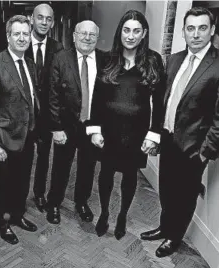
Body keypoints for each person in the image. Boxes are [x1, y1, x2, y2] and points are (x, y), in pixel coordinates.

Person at [140, 7, 219, 258]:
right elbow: (164, 101)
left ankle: (174, 236)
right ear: (184, 31)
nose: (196, 34)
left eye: (202, 28)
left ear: (213, 30)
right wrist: (155, 135)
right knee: (166, 189)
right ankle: (164, 226)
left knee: (185, 197)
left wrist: (205, 152)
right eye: (190, 28)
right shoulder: (174, 59)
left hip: (194, 148)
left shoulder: (217, 66)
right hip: (169, 139)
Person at [87, 10, 165, 240]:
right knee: (106, 174)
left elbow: (159, 103)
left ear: (144, 34)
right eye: (126, 30)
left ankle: (122, 216)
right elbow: (96, 98)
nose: (130, 36)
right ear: (120, 31)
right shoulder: (108, 59)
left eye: (136, 31)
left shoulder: (153, 60)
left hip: (136, 132)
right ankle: (103, 214)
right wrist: (94, 129)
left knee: (130, 176)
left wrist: (154, 134)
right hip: (109, 131)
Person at [0, 15, 40, 245]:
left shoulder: (30, 63)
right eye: (17, 34)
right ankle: (3, 223)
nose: (22, 38)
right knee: (4, 185)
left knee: (23, 182)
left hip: (27, 137)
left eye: (26, 34)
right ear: (8, 36)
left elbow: (31, 99)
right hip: (5, 140)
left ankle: (17, 215)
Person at [46, 20, 104, 224]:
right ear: (74, 35)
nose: (87, 38)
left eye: (92, 34)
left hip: (92, 127)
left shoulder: (105, 60)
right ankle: (54, 203)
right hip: (66, 125)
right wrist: (56, 128)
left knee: (88, 167)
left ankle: (81, 202)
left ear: (97, 37)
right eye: (83, 33)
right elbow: (52, 96)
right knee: (61, 166)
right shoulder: (60, 58)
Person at [25, 3, 63, 212]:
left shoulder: (58, 49)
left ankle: (39, 194)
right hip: (24, 115)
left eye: (48, 19)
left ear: (52, 22)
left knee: (43, 158)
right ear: (32, 19)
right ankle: (17, 197)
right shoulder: (20, 43)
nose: (44, 22)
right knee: (22, 157)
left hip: (47, 115)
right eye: (40, 18)